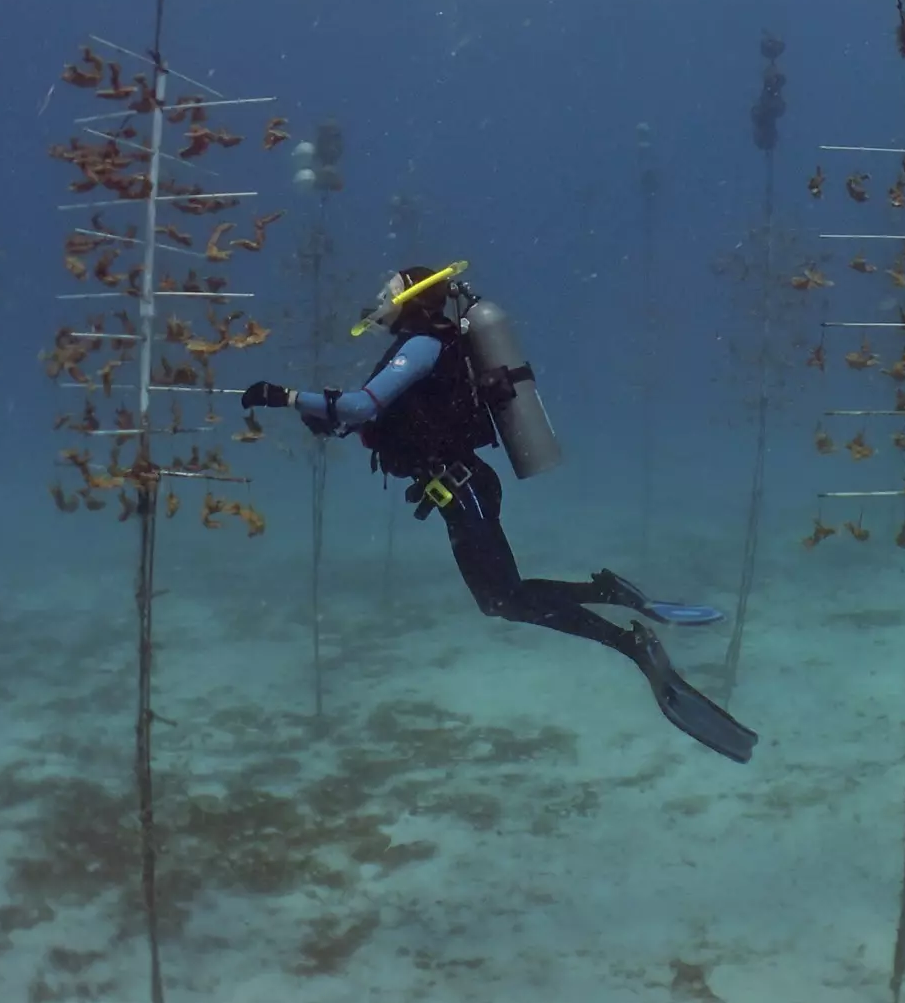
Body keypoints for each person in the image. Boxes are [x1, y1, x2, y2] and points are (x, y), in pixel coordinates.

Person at [241, 263, 757, 763]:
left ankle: (626, 636)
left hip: (462, 488)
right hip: (458, 489)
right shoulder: (423, 349)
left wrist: (284, 396)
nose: (378, 301)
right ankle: (612, 602)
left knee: (505, 599)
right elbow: (368, 418)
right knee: (502, 598)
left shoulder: (423, 345)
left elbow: (358, 407)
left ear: (408, 303)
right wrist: (320, 416)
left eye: (388, 292)